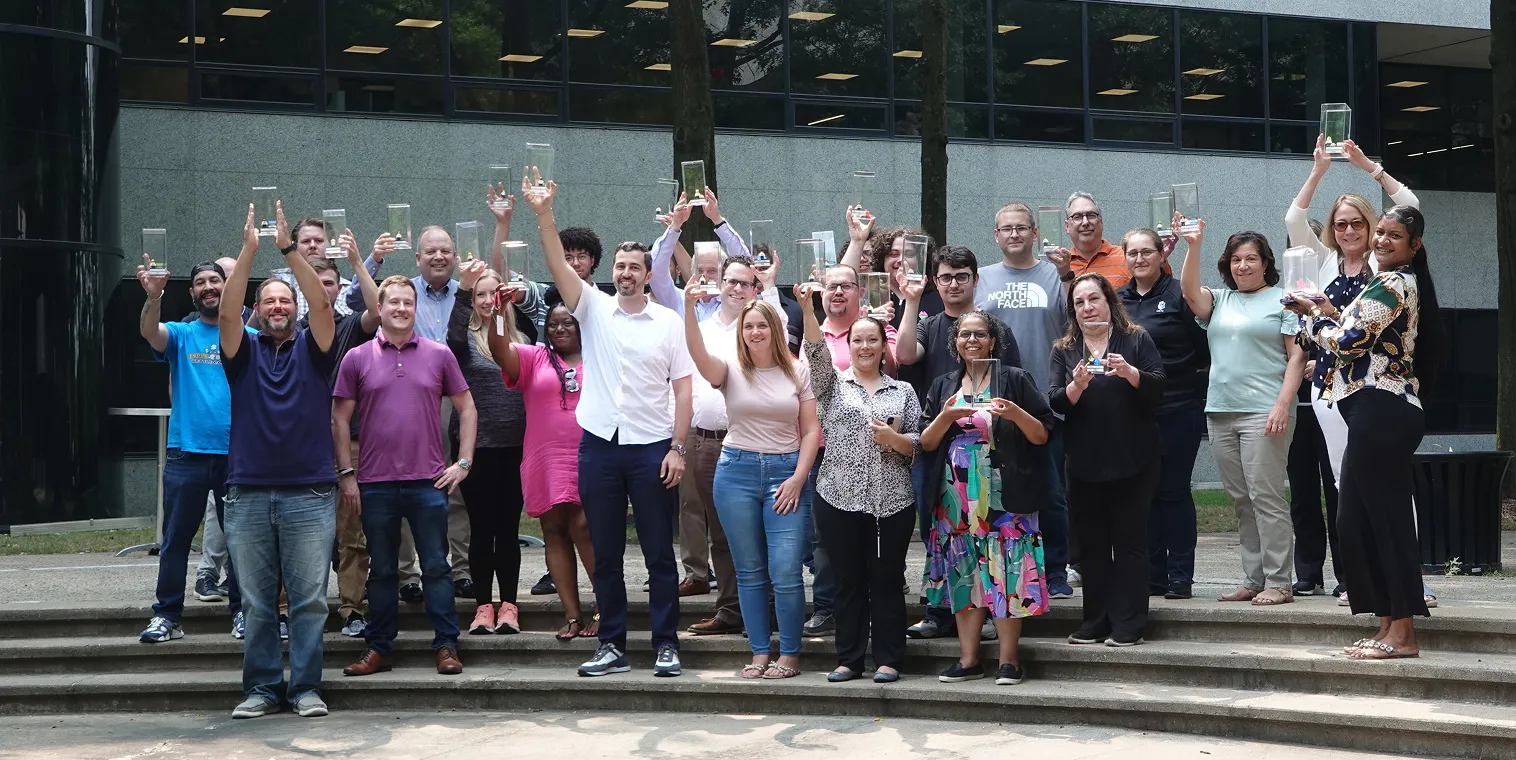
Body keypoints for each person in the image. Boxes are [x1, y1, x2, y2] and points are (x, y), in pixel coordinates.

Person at [526, 175, 693, 679]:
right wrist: (544, 215)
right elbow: (558, 264)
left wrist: (677, 449)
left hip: (651, 448)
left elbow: (684, 388)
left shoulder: (668, 321)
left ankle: (666, 645)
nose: (624, 273)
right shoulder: (591, 308)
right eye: (618, 266)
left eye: (633, 267)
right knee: (605, 553)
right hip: (598, 446)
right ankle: (612, 644)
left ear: (647, 274)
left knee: (660, 553)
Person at [1285, 205, 1441, 660]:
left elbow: (1350, 340)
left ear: (1414, 246)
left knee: (1386, 520)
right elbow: (1353, 326)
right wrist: (1325, 309)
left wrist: (1312, 321)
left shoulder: (1395, 282)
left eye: (1395, 235)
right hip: (1367, 411)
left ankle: (1405, 635)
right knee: (1356, 519)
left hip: (1384, 408)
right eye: (1382, 233)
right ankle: (1387, 623)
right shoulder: (1381, 283)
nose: (1382, 240)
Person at [1285, 136, 1421, 604]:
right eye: (1340, 224)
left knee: (1385, 489)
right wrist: (1318, 170)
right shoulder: (1325, 265)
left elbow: (1410, 208)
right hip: (1332, 389)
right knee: (1347, 487)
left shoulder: (1388, 272)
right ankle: (1363, 581)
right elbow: (1293, 220)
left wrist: (1369, 168)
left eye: (1358, 223)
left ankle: (1400, 582)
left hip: (1378, 392)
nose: (1350, 231)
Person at [219, 204, 338, 719]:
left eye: (284, 299)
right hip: (247, 493)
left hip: (310, 493)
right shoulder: (241, 352)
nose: (277, 306)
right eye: (268, 300)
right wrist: (249, 250)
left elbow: (324, 307)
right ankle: (263, 689)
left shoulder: (316, 348)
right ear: (258, 309)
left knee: (310, 601)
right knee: (258, 602)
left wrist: (289, 250)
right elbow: (226, 312)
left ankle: (306, 688)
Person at [334, 274, 475, 678]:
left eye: (407, 303)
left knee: (435, 566)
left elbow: (467, 408)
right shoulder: (358, 357)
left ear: (416, 309)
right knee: (382, 570)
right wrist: (347, 474)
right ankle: (379, 648)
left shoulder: (438, 354)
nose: (400, 309)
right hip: (375, 484)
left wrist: (463, 462)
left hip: (428, 482)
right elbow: (339, 420)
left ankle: (447, 645)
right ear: (379, 308)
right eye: (392, 302)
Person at [651, 190, 786, 607]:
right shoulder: (698, 322)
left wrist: (719, 221)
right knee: (718, 529)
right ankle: (731, 609)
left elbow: (750, 267)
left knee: (751, 533)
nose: (734, 288)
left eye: (744, 283)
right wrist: (677, 226)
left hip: (756, 440)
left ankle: (758, 609)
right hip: (703, 439)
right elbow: (656, 273)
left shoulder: (765, 322)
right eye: (729, 281)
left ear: (754, 288)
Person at [683, 293, 818, 679]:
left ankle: (789, 653)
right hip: (736, 472)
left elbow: (810, 430)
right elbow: (696, 352)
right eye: (748, 326)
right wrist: (691, 310)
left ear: (774, 329)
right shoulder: (728, 369)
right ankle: (760, 651)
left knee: (786, 570)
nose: (755, 331)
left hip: (785, 475)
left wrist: (797, 478)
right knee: (749, 570)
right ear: (740, 333)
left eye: (762, 325)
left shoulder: (797, 369)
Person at [921, 311, 1054, 685]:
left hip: (1004, 489)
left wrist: (1014, 412)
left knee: (1007, 569)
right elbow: (926, 442)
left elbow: (1042, 434)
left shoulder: (1013, 379)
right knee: (964, 570)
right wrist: (946, 417)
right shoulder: (943, 385)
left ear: (993, 341)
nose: (972, 340)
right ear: (956, 342)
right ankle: (968, 659)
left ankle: (1009, 661)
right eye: (965, 335)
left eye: (980, 334)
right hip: (955, 494)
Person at [1180, 223, 1307, 607]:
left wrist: (1283, 404)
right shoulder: (1219, 300)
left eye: (1251, 258)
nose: (1243, 265)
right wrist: (1194, 244)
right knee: (1240, 499)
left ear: (1266, 263)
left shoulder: (1285, 299)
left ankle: (1280, 581)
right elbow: (1188, 291)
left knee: (1266, 496)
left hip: (1265, 411)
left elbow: (1297, 355)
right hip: (1220, 411)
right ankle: (1253, 578)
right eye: (1236, 259)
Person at [898, 245, 1021, 639]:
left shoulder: (996, 329)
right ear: (936, 281)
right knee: (939, 531)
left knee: (987, 534)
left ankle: (983, 612)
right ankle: (938, 611)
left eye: (961, 276)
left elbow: (1014, 382)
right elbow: (903, 354)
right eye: (946, 277)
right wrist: (911, 300)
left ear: (974, 279)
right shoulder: (928, 324)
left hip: (989, 453)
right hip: (939, 449)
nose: (953, 284)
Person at [350, 224, 473, 602]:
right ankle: (407, 574)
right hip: (404, 394)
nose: (439, 256)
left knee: (452, 486)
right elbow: (358, 300)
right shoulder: (402, 292)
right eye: (430, 251)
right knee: (397, 486)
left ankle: (461, 568)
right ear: (417, 257)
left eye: (445, 250)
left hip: (453, 392)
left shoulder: (467, 286)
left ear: (454, 256)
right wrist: (366, 259)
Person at [801, 302, 919, 684]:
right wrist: (806, 306)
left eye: (873, 340)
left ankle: (888, 658)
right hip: (839, 498)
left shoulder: (903, 391)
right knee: (847, 581)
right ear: (848, 345)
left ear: (884, 347)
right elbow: (816, 352)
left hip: (893, 502)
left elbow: (919, 442)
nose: (865, 347)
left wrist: (895, 439)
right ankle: (849, 658)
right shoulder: (831, 385)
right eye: (857, 340)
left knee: (886, 580)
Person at [136, 258, 252, 644]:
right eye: (201, 282)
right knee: (175, 540)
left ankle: (241, 613)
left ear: (228, 287)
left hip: (237, 454)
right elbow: (150, 332)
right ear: (192, 293)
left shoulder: (246, 334)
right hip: (186, 452)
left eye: (215, 281)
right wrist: (154, 298)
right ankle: (167, 616)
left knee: (240, 541)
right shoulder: (183, 334)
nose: (208, 287)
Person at [1051, 273, 1165, 647]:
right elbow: (1054, 401)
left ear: (1108, 302)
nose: (1087, 308)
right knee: (1092, 544)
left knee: (1130, 540)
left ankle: (1129, 624)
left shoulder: (1134, 338)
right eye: (1079, 302)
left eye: (1093, 299)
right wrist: (1077, 385)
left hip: (1134, 457)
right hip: (1085, 460)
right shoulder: (1064, 348)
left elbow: (1158, 386)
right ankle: (1095, 621)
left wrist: (1130, 373)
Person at [977, 202, 1075, 600]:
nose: (1014, 234)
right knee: (994, 495)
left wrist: (1069, 275)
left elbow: (1075, 325)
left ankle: (1054, 572)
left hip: (1045, 401)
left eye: (1022, 228)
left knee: (1051, 493)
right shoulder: (981, 278)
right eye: (1006, 229)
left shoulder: (1056, 273)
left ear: (1036, 232)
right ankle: (999, 575)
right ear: (995, 235)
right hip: (989, 405)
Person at [799, 263, 900, 637]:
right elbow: (816, 367)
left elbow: (892, 363)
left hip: (877, 457)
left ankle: (875, 612)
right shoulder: (815, 334)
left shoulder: (877, 329)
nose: (838, 292)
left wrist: (877, 325)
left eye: (846, 285)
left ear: (860, 291)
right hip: (827, 452)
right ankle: (827, 609)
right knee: (827, 541)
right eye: (831, 286)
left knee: (872, 542)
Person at [493, 301, 599, 640]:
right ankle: (572, 614)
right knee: (553, 530)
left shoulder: (600, 356)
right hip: (544, 456)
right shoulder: (534, 357)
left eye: (568, 322)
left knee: (586, 527)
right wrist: (497, 315)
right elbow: (499, 349)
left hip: (591, 455)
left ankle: (606, 607)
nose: (560, 329)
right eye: (553, 324)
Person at [1118, 228, 1209, 600]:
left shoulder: (1178, 294)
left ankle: (1179, 576)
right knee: (1144, 494)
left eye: (1146, 252)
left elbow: (1202, 349)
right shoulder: (1118, 299)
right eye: (1133, 253)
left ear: (1161, 255)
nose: (1139, 259)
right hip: (1133, 413)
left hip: (1178, 408)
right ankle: (1152, 574)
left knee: (1173, 492)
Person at [306, 242, 381, 640]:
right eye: (316, 281)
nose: (323, 288)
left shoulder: (351, 324)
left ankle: (353, 608)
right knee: (302, 534)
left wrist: (357, 261)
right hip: (302, 447)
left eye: (331, 282)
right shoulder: (290, 328)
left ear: (339, 287)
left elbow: (377, 309)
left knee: (353, 532)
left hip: (349, 443)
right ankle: (295, 610)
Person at [450, 260, 528, 636]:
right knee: (481, 529)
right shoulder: (462, 343)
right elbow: (450, 335)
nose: (486, 300)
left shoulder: (521, 339)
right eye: (479, 294)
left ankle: (509, 605)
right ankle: (483, 605)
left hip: (515, 447)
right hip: (477, 447)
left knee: (508, 529)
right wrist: (463, 293)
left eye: (491, 293)